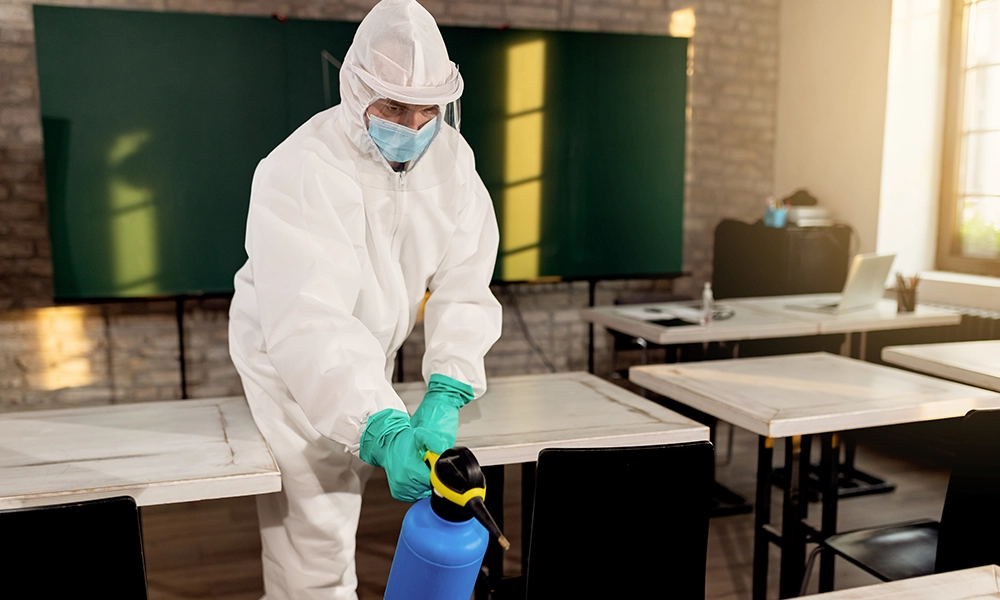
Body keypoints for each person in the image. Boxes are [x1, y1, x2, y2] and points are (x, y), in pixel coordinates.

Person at [227, 0, 503, 597]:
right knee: (318, 532)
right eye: (393, 107)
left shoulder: (452, 161)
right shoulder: (300, 169)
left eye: (426, 109)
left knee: (362, 475)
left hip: (367, 347)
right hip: (289, 358)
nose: (411, 125)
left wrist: (448, 385)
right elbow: (310, 322)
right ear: (355, 91)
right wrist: (378, 424)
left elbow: (466, 280)